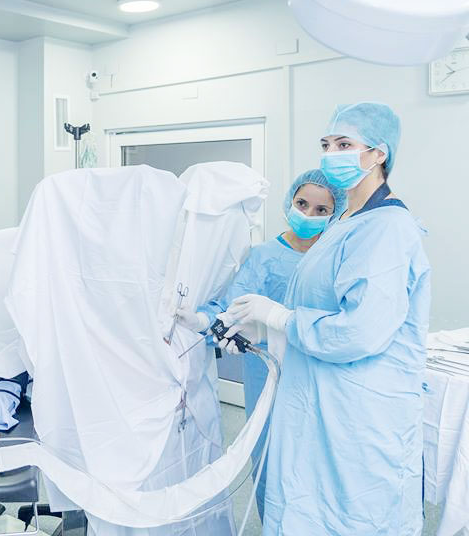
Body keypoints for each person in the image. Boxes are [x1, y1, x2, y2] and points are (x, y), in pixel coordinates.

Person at [224, 102, 431, 535]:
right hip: (319, 399)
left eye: (344, 144)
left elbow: (360, 331)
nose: (331, 153)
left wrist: (281, 318)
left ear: (379, 153)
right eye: (326, 144)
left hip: (358, 411)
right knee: (306, 509)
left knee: (351, 518)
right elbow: (319, 300)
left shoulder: (387, 228)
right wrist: (262, 326)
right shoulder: (344, 222)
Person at [175, 169, 346, 520]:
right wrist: (204, 321)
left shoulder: (335, 257)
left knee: (318, 462)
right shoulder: (263, 256)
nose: (308, 214)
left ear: (335, 213)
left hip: (319, 372)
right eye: (302, 204)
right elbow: (231, 310)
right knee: (270, 452)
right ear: (289, 202)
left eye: (321, 210)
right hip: (266, 373)